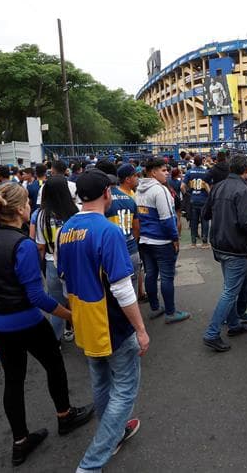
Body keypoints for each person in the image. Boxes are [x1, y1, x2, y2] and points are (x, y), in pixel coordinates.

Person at [0, 182, 94, 466]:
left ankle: (20, 441)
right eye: (27, 202)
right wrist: (70, 316)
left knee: (13, 381)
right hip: (25, 321)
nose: (30, 206)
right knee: (54, 365)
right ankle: (65, 416)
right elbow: (36, 295)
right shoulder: (22, 244)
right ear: (18, 209)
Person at [56, 170, 149, 472]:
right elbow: (122, 288)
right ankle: (91, 463)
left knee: (101, 381)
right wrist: (141, 329)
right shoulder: (107, 230)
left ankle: (116, 431)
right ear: (107, 193)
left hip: (85, 318)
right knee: (124, 389)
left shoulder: (65, 229)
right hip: (111, 322)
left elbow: (63, 278)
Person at [202, 155, 247, 352]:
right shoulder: (243, 190)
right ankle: (212, 332)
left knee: (232, 285)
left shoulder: (218, 186)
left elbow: (206, 214)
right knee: (230, 291)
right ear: (246, 170)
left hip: (219, 244)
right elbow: (246, 223)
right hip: (235, 246)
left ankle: (233, 323)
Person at [137, 158, 190, 323]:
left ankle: (154, 308)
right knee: (167, 277)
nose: (167, 173)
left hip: (145, 240)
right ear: (153, 172)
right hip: (162, 241)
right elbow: (167, 219)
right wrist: (174, 238)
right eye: (163, 170)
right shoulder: (160, 191)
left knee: (150, 274)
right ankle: (170, 312)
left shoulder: (139, 189)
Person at [35, 175, 79, 342]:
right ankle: (81, 333)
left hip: (51, 262)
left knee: (56, 306)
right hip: (74, 263)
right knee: (77, 302)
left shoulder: (41, 215)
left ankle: (56, 340)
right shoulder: (76, 211)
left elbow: (40, 245)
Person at [106, 164, 143, 299]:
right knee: (131, 288)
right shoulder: (129, 199)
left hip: (112, 252)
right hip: (131, 248)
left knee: (113, 288)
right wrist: (134, 241)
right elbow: (136, 228)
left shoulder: (105, 203)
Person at [182, 155, 211, 249]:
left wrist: (187, 194)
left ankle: (193, 242)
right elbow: (209, 185)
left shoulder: (189, 172)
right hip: (203, 199)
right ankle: (204, 242)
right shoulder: (206, 172)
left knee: (194, 221)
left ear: (194, 162)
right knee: (205, 221)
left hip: (193, 199)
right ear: (202, 162)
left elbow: (182, 186)